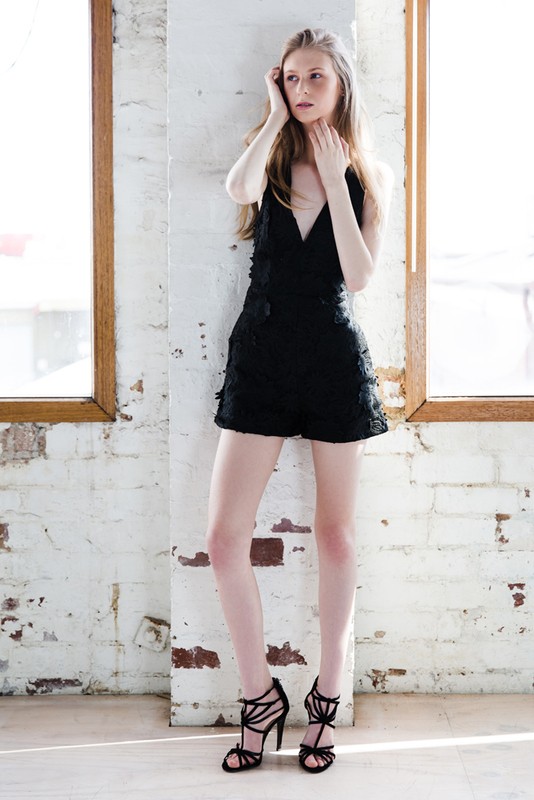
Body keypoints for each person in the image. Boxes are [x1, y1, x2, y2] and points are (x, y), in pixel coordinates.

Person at [206, 27, 393, 774]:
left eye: (316, 76)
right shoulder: (270, 158)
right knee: (224, 539)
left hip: (332, 362)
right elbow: (238, 189)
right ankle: (259, 698)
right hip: (260, 356)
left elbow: (359, 275)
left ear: (341, 84)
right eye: (291, 77)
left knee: (336, 536)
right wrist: (276, 121)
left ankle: (327, 697)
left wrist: (338, 176)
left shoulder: (370, 173)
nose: (303, 87)